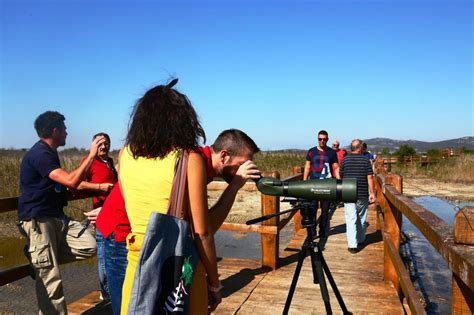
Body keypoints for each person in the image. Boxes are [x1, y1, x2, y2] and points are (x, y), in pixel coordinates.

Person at [119, 79, 258, 314]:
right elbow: (202, 233)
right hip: (178, 267)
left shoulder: (125, 155)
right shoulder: (187, 159)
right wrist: (214, 283)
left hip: (138, 266)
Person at [92, 129, 261, 315]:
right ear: (224, 156)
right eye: (243, 163)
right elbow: (204, 231)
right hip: (122, 232)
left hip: (145, 236)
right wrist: (235, 185)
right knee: (131, 306)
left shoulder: (195, 160)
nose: (247, 168)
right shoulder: (194, 160)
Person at [17, 111, 106, 314]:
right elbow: (70, 180)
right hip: (39, 220)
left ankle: (39, 257)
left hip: (57, 217)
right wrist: (91, 155)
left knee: (89, 245)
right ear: (55, 131)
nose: (67, 133)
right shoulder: (40, 153)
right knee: (51, 280)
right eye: (64, 129)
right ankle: (41, 259)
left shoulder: (50, 152)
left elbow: (65, 182)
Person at [77, 132, 118, 302]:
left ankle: (111, 290)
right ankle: (106, 293)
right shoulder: (89, 161)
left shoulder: (109, 161)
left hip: (114, 213)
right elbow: (77, 183)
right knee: (103, 254)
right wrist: (99, 187)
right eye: (99, 143)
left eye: (106, 143)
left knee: (114, 253)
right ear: (93, 144)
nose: (103, 146)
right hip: (100, 214)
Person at [339, 139, 376, 254]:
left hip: (347, 193)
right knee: (361, 218)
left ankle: (352, 245)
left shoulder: (345, 160)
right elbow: (370, 177)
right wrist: (372, 193)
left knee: (351, 219)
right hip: (362, 193)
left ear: (351, 148)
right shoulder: (366, 160)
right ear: (360, 148)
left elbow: (341, 176)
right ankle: (360, 239)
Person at [303, 130, 340, 238]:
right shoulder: (311, 151)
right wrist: (305, 181)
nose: (322, 141)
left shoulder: (332, 152)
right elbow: (307, 166)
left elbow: (336, 167)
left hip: (327, 185)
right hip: (313, 184)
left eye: (324, 139)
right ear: (317, 139)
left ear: (327, 139)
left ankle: (323, 230)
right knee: (312, 209)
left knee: (325, 211)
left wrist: (339, 181)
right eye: (320, 139)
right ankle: (313, 231)